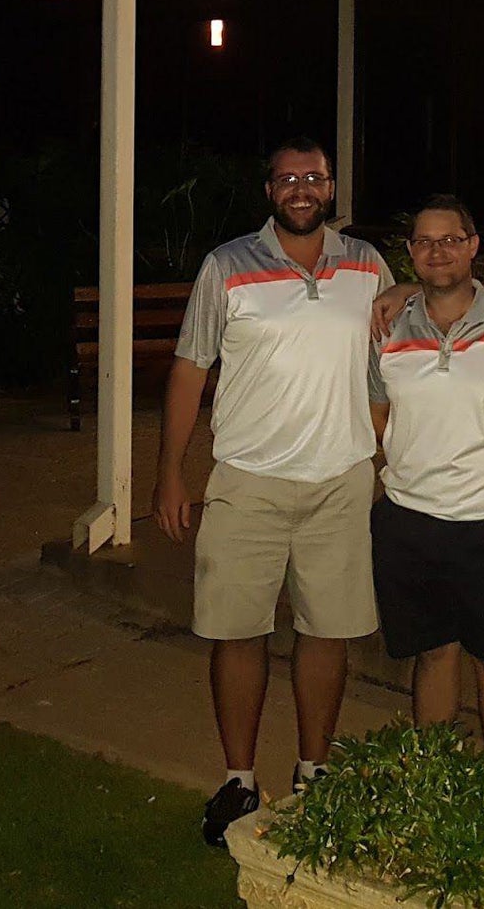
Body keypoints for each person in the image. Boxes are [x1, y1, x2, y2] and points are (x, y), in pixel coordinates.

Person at [153, 137, 395, 847]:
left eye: (313, 178)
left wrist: (384, 460)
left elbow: (387, 367)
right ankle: (239, 779)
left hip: (341, 480)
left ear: (331, 188)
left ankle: (314, 770)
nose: (301, 188)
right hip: (248, 480)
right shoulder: (227, 266)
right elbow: (190, 371)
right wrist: (171, 472)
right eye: (287, 178)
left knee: (327, 631)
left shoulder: (368, 265)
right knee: (238, 630)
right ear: (269, 191)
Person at [368, 195, 484, 747]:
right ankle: (435, 784)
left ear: (473, 246)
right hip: (412, 519)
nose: (437, 251)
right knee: (434, 653)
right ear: (411, 252)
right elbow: (378, 415)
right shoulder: (386, 328)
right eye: (424, 241)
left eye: (450, 240)